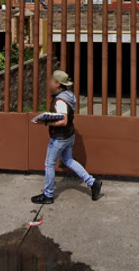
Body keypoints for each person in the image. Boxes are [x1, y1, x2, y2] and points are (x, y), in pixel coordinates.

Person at [31, 70, 102, 204]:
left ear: (57, 84)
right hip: (69, 135)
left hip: (60, 138)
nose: (49, 83)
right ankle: (93, 183)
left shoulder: (60, 100)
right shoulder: (68, 95)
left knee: (49, 164)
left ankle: (48, 195)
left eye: (52, 81)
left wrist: (44, 122)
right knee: (68, 160)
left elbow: (63, 121)